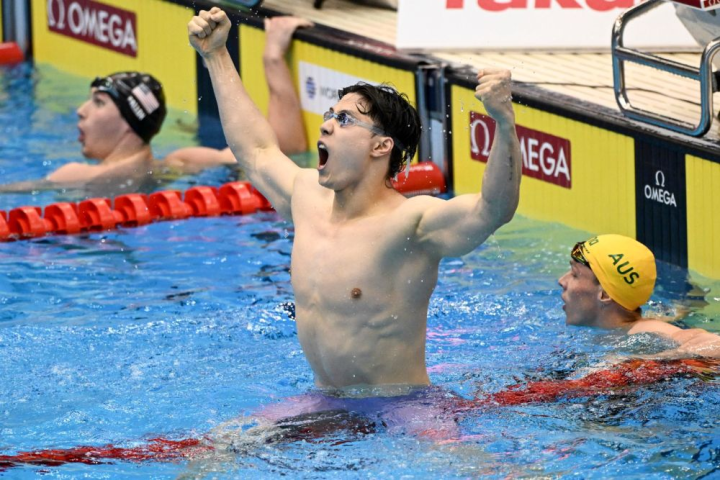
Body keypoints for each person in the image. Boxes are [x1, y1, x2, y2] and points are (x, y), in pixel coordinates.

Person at [187, 7, 521, 398]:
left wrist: (504, 121)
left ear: (381, 146)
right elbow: (257, 150)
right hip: (325, 400)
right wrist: (216, 54)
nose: (326, 124)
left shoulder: (411, 223)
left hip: (401, 409)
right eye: (330, 114)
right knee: (221, 439)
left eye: (345, 120)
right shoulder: (307, 197)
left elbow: (493, 210)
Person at [0, 16, 312, 197]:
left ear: (129, 122)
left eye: (98, 102)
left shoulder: (77, 175)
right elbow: (283, 149)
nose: (81, 110)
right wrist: (273, 57)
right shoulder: (181, 165)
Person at [559, 234, 720, 359]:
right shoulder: (614, 331)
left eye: (575, 275)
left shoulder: (646, 330)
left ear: (605, 294)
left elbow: (715, 344)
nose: (561, 281)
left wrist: (639, 363)